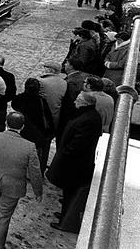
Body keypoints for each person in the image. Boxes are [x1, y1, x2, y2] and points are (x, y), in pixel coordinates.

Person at [0, 112, 44, 249]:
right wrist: (38, 192)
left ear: (6, 124)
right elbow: (35, 172)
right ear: (22, 127)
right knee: (4, 216)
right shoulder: (29, 147)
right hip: (13, 187)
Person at [47, 91, 102, 233]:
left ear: (84, 103)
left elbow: (78, 144)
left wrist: (65, 152)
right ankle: (65, 215)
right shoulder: (89, 115)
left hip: (74, 165)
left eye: (77, 100)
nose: (74, 102)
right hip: (76, 163)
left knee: (70, 192)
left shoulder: (87, 119)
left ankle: (66, 222)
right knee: (68, 193)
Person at [11, 78, 55, 174]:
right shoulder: (41, 101)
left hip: (23, 129)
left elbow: (14, 105)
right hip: (37, 131)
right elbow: (48, 116)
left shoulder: (19, 98)